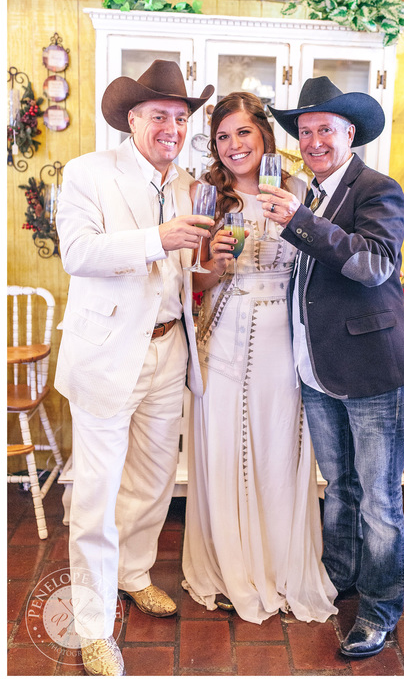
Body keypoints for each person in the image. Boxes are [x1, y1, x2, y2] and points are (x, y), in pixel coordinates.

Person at [54, 60, 214, 676]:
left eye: (180, 117)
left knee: (151, 481)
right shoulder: (87, 173)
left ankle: (134, 574)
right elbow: (78, 253)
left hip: (169, 350)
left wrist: (207, 259)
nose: (171, 127)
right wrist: (158, 238)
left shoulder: (188, 184)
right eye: (159, 116)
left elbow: (184, 271)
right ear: (132, 120)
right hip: (106, 355)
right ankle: (92, 625)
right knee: (96, 493)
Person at [260, 77, 404, 658]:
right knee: (341, 486)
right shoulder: (311, 191)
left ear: (350, 133)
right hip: (317, 368)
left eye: (325, 128)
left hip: (372, 370)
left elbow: (373, 265)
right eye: (304, 131)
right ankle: (341, 576)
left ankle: (379, 610)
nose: (313, 140)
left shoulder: (378, 188)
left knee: (379, 497)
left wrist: (300, 220)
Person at [179, 92, 338, 624]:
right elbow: (194, 280)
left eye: (242, 133)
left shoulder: (297, 191)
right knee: (225, 446)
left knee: (278, 445)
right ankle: (228, 566)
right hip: (223, 334)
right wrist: (215, 265)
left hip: (285, 341)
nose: (232, 146)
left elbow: (321, 263)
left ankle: (280, 564)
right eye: (222, 137)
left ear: (264, 137)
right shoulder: (207, 196)